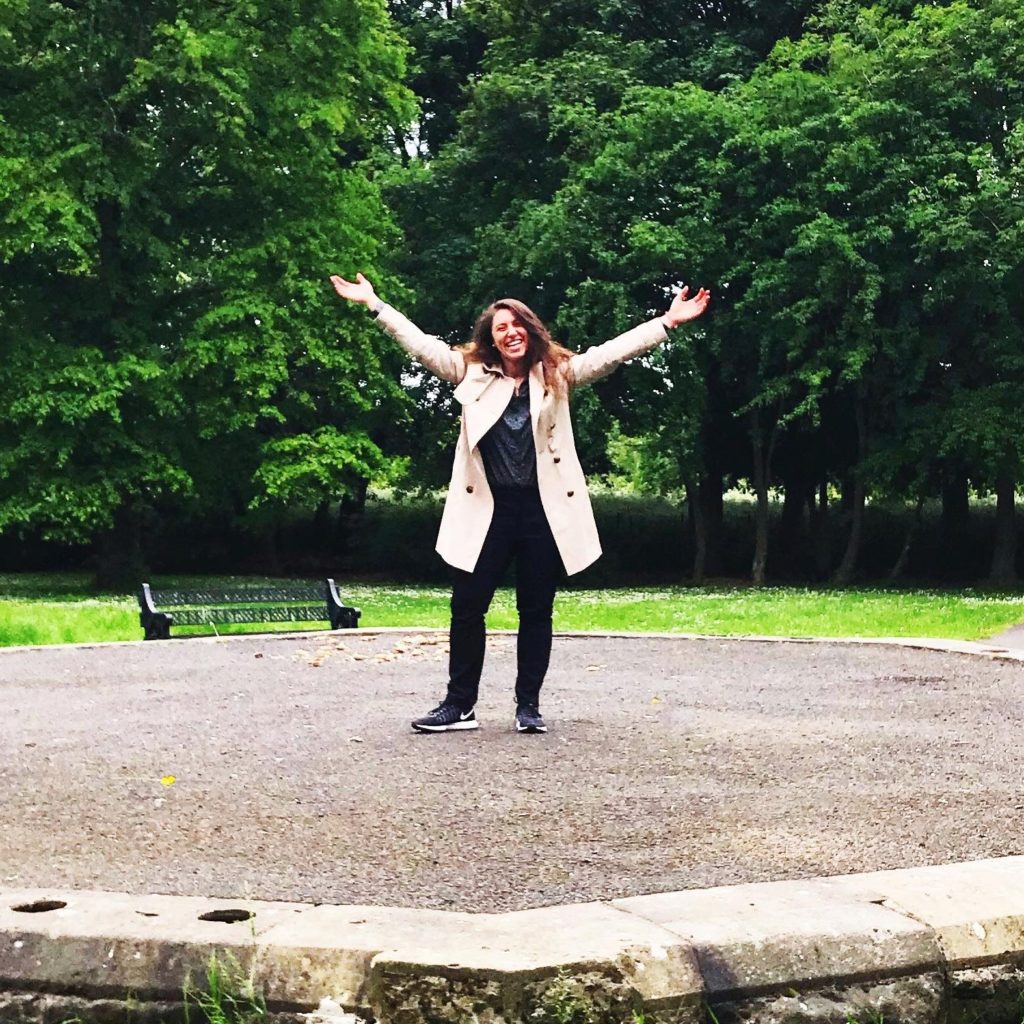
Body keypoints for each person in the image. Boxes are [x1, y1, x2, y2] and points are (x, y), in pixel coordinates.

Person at [330, 272, 711, 734]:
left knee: (536, 610)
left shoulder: (556, 374)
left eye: (517, 325)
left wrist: (667, 323)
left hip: (540, 512)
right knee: (467, 607)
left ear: (530, 330)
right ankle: (459, 706)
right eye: (500, 328)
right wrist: (375, 305)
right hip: (487, 510)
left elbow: (611, 353)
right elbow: (421, 346)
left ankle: (528, 706)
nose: (510, 333)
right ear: (491, 339)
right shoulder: (469, 371)